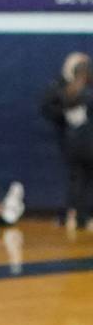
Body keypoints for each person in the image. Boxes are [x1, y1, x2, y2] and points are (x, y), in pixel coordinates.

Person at [42, 53, 93, 229]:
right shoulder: (81, 92)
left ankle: (74, 214)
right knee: (83, 179)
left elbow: (51, 105)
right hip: (84, 142)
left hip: (74, 141)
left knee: (77, 178)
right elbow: (48, 107)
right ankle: (81, 216)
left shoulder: (65, 91)